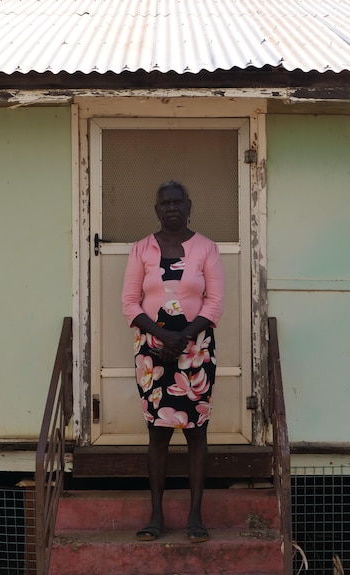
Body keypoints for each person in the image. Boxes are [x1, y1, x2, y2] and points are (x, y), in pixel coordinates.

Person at [121, 180, 224, 544]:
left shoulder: (207, 249)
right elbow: (130, 303)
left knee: (196, 432)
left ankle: (196, 517)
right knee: (158, 433)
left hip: (196, 351)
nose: (172, 208)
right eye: (165, 203)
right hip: (152, 353)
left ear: (189, 206)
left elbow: (214, 304)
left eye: (178, 202)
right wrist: (164, 337)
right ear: (156, 210)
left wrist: (183, 339)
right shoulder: (140, 250)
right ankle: (156, 516)